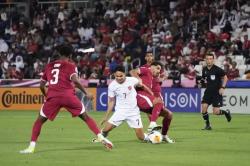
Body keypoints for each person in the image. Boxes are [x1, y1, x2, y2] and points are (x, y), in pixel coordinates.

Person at [20, 44, 113, 154]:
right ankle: (100, 137)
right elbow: (76, 81)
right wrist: (86, 92)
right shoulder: (70, 66)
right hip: (68, 96)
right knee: (86, 117)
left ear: (59, 54)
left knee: (39, 121)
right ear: (70, 55)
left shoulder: (49, 66)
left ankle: (31, 147)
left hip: (53, 96)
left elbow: (41, 85)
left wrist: (47, 97)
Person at [93, 65, 149, 142]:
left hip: (133, 112)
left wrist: (152, 94)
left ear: (125, 74)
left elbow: (142, 86)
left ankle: (152, 137)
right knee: (106, 129)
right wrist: (106, 116)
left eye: (121, 76)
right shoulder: (112, 86)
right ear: (114, 75)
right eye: (117, 76)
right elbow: (111, 101)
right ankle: (102, 138)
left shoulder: (132, 80)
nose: (119, 78)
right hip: (120, 111)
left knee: (141, 137)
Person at [141, 52, 174, 143]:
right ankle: (154, 135)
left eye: (151, 56)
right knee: (151, 115)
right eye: (147, 56)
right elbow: (135, 74)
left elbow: (164, 75)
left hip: (158, 94)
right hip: (148, 95)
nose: (149, 57)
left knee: (169, 115)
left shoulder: (158, 67)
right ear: (145, 57)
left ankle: (163, 135)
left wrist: (161, 79)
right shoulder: (143, 68)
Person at [130, 61, 164, 131]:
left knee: (158, 103)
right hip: (140, 95)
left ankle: (152, 127)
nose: (158, 71)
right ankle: (152, 124)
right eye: (157, 68)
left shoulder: (151, 78)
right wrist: (138, 79)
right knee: (157, 102)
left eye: (160, 70)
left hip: (145, 96)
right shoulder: (146, 70)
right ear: (152, 67)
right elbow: (132, 72)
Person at [201, 53, 232, 130]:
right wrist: (201, 82)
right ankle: (208, 125)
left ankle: (226, 113)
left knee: (216, 112)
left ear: (213, 60)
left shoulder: (217, 69)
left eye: (210, 59)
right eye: (207, 59)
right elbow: (204, 79)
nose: (209, 60)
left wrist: (223, 87)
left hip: (216, 93)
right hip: (208, 92)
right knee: (204, 109)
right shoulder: (204, 69)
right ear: (205, 60)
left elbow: (225, 78)